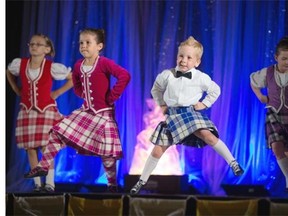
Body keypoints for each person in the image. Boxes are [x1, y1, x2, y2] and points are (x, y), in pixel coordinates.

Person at [130, 36, 244, 194]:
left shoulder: (200, 77)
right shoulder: (167, 75)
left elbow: (215, 90)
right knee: (157, 151)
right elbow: (156, 89)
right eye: (181, 56)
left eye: (189, 57)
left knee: (208, 136)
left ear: (197, 62)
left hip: (190, 114)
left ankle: (233, 162)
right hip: (172, 117)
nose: (183, 60)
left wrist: (204, 104)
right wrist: (161, 102)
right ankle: (141, 181)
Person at [23, 28, 131, 193]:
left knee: (107, 154)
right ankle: (43, 166)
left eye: (88, 42)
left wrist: (112, 96)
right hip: (86, 111)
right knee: (58, 131)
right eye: (81, 42)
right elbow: (76, 82)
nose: (84, 46)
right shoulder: (78, 65)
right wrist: (81, 93)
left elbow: (124, 75)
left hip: (103, 112)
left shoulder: (104, 63)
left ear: (99, 46)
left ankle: (112, 185)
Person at [6, 34, 73, 192]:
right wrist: (17, 89)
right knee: (30, 149)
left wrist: (56, 93)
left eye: (39, 44)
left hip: (46, 111)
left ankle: (50, 183)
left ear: (47, 49)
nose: (34, 46)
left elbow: (72, 79)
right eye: (32, 43)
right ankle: (37, 184)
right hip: (27, 111)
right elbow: (8, 71)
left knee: (46, 148)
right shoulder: (20, 64)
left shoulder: (51, 67)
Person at [250, 36, 288, 192]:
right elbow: (253, 80)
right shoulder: (268, 72)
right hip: (274, 113)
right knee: (277, 147)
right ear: (276, 57)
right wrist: (260, 96)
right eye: (284, 58)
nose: (287, 62)